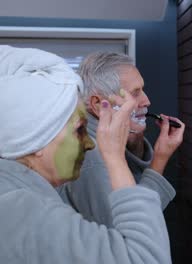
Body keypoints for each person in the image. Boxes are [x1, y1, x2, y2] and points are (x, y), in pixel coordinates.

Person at [0, 45, 171, 263]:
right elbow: (144, 256)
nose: (89, 144)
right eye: (79, 129)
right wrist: (115, 159)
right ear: (36, 140)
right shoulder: (24, 213)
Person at [58, 52, 184, 226]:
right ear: (97, 104)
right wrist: (160, 159)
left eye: (143, 90)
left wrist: (135, 143)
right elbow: (133, 230)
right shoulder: (89, 157)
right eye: (135, 93)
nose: (146, 101)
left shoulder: (100, 139)